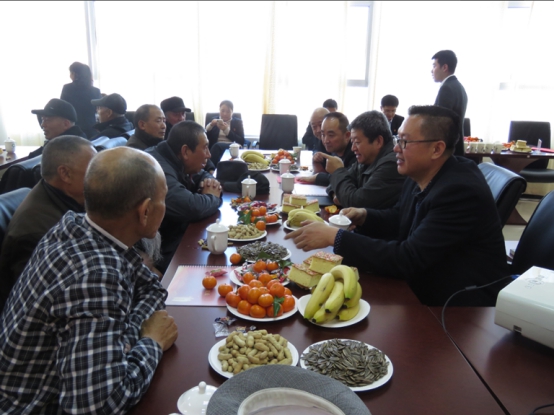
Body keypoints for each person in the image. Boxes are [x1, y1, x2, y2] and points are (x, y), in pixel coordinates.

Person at [0, 147, 178, 414]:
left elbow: (151, 288)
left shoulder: (75, 226)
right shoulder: (95, 277)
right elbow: (98, 405)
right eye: (164, 199)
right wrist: (151, 341)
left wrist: (125, 335)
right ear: (145, 211)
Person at [286, 105, 509, 307]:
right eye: (397, 139)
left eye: (404, 142)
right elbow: (400, 216)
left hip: (458, 306)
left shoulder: (459, 191)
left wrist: (335, 237)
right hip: (421, 284)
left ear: (437, 149)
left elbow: (408, 258)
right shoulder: (419, 174)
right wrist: (365, 215)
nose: (395, 149)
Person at [0, 136, 97, 310]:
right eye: (93, 170)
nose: (99, 178)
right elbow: (45, 304)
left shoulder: (65, 197)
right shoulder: (38, 232)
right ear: (65, 174)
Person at [146, 121, 222, 271]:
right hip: (157, 250)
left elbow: (203, 174)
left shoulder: (174, 157)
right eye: (205, 147)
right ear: (185, 151)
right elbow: (191, 208)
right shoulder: (157, 170)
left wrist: (211, 183)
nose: (209, 154)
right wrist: (213, 197)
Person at [326, 111, 405, 209]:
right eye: (352, 142)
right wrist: (338, 194)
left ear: (378, 141)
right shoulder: (366, 158)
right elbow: (335, 184)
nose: (353, 148)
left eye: (357, 142)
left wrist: (338, 171)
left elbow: (356, 202)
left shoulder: (392, 164)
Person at [297, 112, 356, 186]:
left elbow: (347, 180)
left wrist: (317, 177)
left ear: (347, 135)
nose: (325, 141)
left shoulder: (355, 152)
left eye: (331, 135)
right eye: (323, 134)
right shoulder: (334, 148)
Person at [431, 50, 467, 156]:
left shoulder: (446, 88)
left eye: (434, 66)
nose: (432, 70)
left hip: (447, 149)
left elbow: (441, 123)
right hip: (456, 147)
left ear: (444, 67)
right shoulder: (459, 87)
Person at [60, 62, 102, 138]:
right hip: (91, 129)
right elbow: (98, 111)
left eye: (71, 73)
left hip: (73, 129)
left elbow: (63, 109)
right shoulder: (96, 91)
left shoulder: (67, 88)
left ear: (74, 74)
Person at [206, 100, 245, 165]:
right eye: (222, 111)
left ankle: (209, 168)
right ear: (219, 110)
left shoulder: (237, 122)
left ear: (232, 112)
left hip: (231, 146)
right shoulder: (214, 120)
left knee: (217, 146)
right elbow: (205, 134)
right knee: (216, 147)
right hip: (215, 148)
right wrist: (211, 124)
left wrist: (226, 130)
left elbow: (241, 141)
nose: (225, 114)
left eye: (228, 111)